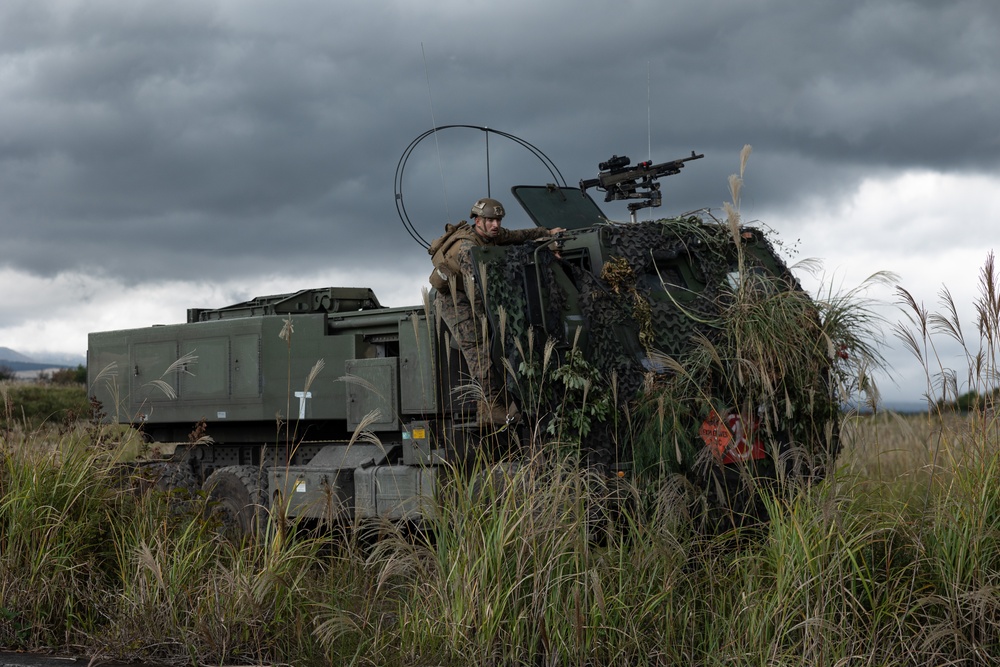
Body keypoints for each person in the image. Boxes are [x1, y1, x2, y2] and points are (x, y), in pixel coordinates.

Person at [428, 197, 564, 425]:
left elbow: (517, 236)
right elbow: (481, 287)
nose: (496, 225)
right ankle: (489, 408)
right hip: (456, 300)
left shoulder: (492, 234)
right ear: (478, 221)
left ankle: (506, 402)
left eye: (498, 220)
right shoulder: (466, 248)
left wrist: (546, 233)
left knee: (499, 346)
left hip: (477, 294)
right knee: (479, 352)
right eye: (490, 220)